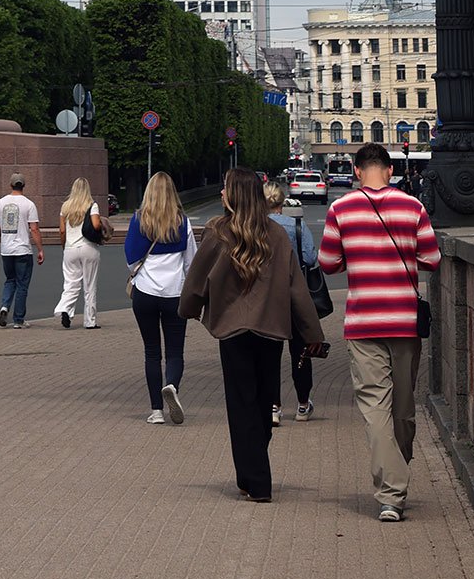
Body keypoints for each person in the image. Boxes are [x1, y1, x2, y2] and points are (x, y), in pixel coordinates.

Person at [182, 170, 327, 501]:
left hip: (232, 329)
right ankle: (255, 473)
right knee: (264, 402)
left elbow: (197, 278)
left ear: (234, 195)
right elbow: (296, 288)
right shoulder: (275, 234)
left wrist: (188, 308)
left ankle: (252, 475)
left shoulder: (218, 232)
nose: (220, 193)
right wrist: (311, 331)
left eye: (225, 188)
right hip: (271, 328)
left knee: (241, 403)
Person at [318, 140, 442, 522]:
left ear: (356, 171)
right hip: (404, 321)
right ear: (391, 170)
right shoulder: (413, 207)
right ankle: (393, 492)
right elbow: (432, 259)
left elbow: (328, 263)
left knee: (376, 408)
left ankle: (393, 479)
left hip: (363, 321)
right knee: (404, 409)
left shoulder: (340, 208)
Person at [124, 170, 198, 424]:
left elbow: (131, 259)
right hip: (174, 293)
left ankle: (156, 410)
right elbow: (192, 264)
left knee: (152, 351)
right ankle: (172, 386)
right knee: (175, 351)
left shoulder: (138, 221)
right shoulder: (183, 223)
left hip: (145, 293)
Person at [264, 178, 319, 420]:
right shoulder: (296, 226)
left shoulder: (256, 228)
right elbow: (310, 257)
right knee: (300, 352)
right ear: (282, 201)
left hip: (266, 299)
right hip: (295, 296)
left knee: (269, 354)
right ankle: (303, 404)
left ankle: (273, 406)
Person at [0, 172, 44, 327]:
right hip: (22, 250)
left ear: (10, 185)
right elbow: (34, 229)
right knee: (22, 284)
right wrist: (40, 249)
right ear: (23, 186)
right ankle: (18, 320)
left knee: (10, 280)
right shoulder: (29, 204)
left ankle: (4, 306)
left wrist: (4, 231)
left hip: (6, 250)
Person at [57, 176, 107, 329]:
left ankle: (65, 308)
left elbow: (62, 230)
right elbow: (96, 225)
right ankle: (90, 321)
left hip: (70, 249)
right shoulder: (92, 205)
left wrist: (64, 246)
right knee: (90, 285)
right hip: (88, 247)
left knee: (71, 282)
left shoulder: (65, 207)